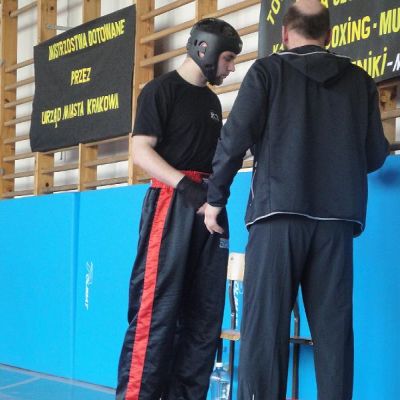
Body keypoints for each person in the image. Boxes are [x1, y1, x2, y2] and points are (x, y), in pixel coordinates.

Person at [204, 1, 389, 399]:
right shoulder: (359, 81)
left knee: (265, 334)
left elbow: (233, 141)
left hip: (277, 216)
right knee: (334, 336)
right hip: (336, 223)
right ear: (329, 35)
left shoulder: (267, 71)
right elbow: (375, 154)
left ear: (284, 34)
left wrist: (215, 198)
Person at [116, 18, 242, 400]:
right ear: (205, 49)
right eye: (228, 58)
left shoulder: (212, 102)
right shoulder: (160, 90)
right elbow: (140, 151)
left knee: (204, 319)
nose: (231, 67)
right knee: (156, 312)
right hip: (171, 205)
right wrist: (185, 187)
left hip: (209, 207)